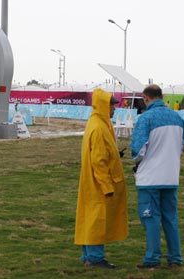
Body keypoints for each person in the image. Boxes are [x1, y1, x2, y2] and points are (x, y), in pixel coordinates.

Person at [130, 84, 184, 269]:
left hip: (150, 178)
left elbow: (138, 149)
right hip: (171, 177)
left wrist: (136, 162)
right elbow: (181, 146)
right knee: (170, 217)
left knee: (150, 217)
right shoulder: (178, 118)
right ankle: (175, 258)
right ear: (161, 96)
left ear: (146, 98)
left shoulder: (146, 118)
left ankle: (152, 258)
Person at [75, 88, 128, 269]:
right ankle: (95, 258)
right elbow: (98, 161)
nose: (114, 108)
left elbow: (102, 154)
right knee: (96, 220)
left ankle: (88, 256)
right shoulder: (99, 128)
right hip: (98, 183)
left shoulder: (98, 123)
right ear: (103, 106)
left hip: (92, 182)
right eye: (112, 105)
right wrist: (107, 186)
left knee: (90, 219)